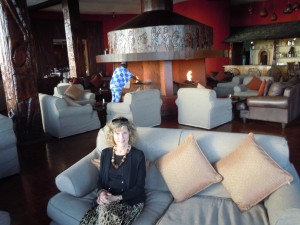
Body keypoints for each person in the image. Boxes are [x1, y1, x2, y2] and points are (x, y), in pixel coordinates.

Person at [80, 117, 146, 225]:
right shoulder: (105, 153)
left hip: (130, 201)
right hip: (108, 198)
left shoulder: (138, 155)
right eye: (117, 133)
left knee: (107, 216)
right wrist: (101, 193)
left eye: (124, 133)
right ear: (112, 135)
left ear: (130, 133)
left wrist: (116, 198)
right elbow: (100, 180)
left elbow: (139, 187)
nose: (121, 137)